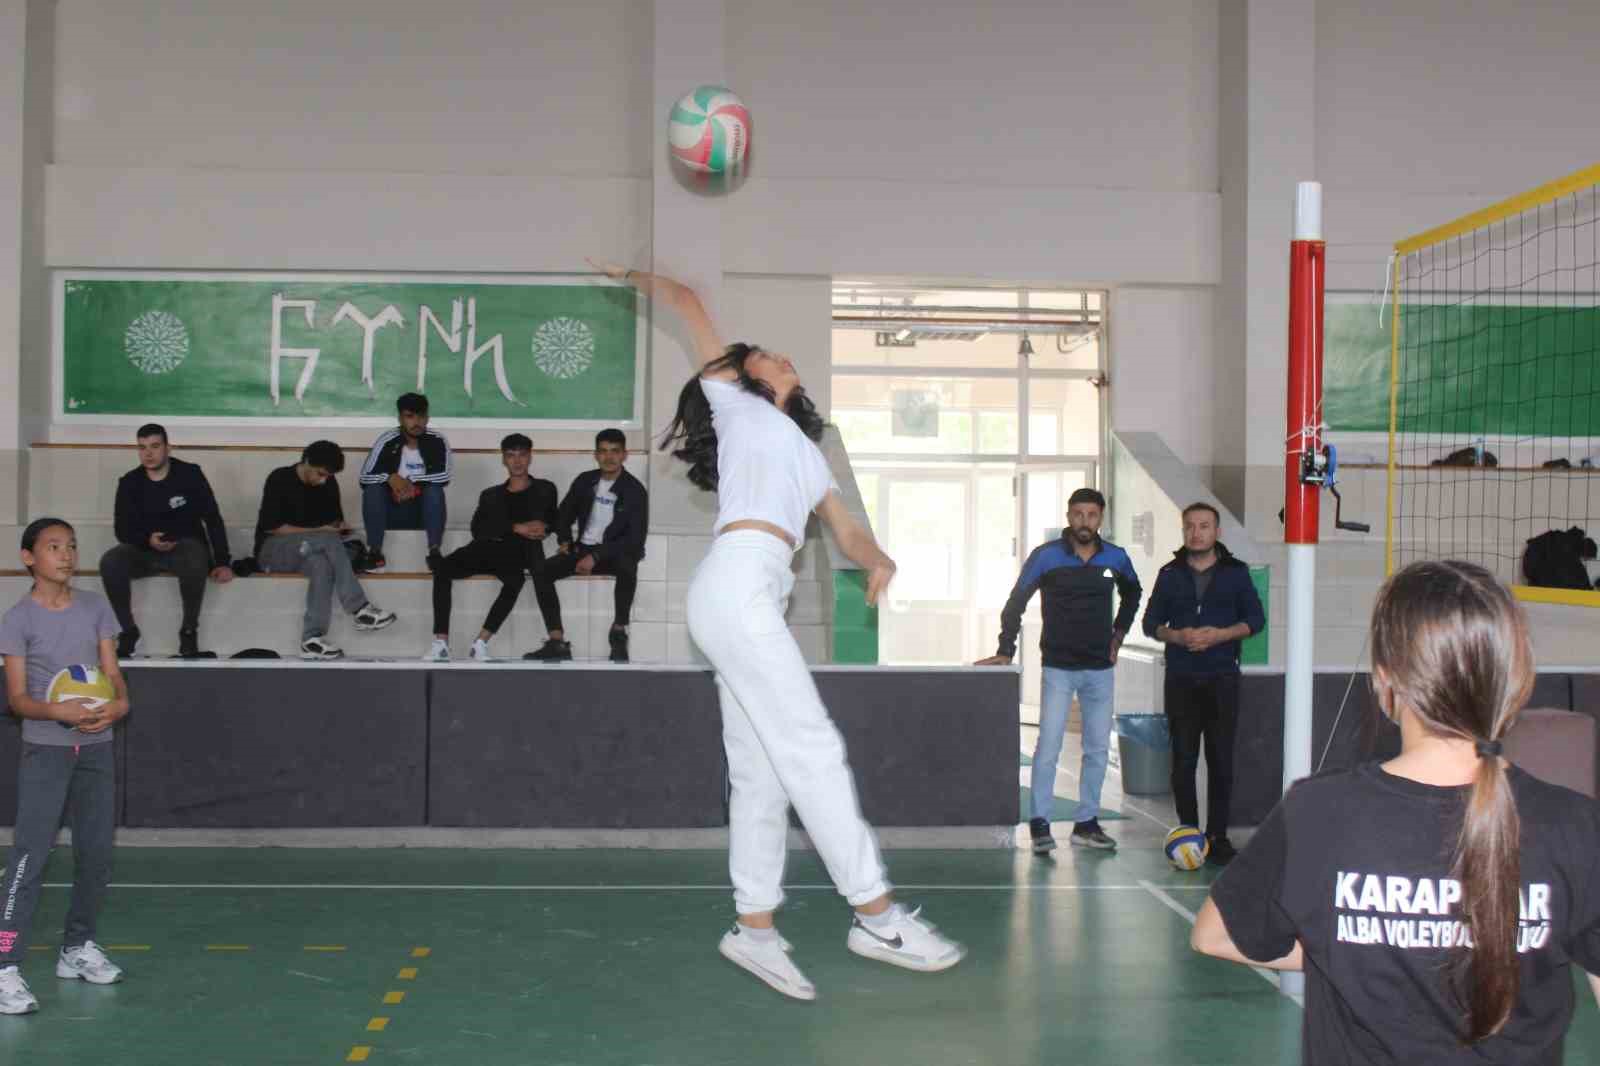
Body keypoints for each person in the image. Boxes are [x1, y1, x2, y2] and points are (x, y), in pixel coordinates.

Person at [594, 259, 963, 1001]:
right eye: (762, 353)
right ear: (744, 375)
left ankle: (754, 929)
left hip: (754, 590)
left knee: (762, 770)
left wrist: (878, 557)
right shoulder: (733, 404)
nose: (775, 355)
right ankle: (876, 917)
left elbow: (846, 532)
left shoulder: (805, 453)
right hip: (736, 583)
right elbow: (691, 303)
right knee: (813, 748)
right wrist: (642, 277)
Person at [1193, 560, 1600, 1064]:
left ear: (1386, 679)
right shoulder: (1577, 827)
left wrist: (1341, 952)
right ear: (1516, 681)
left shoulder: (1318, 813)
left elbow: (1214, 934)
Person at [0, 518, 131, 1015]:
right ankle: (4, 966)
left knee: (95, 855)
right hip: (46, 751)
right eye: (54, 547)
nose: (66, 554)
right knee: (29, 858)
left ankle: (76, 948)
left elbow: (115, 678)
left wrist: (117, 707)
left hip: (96, 750)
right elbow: (17, 700)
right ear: (29, 558)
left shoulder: (97, 608)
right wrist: (59, 711)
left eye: (72, 546)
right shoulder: (17, 620)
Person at [977, 488, 1142, 854]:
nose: (1085, 521)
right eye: (1079, 514)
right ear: (1069, 516)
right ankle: (1040, 823)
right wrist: (1006, 649)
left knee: (1097, 749)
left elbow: (1134, 593)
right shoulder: (1046, 556)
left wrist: (1118, 635)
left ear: (1101, 519)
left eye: (1092, 515)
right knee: (1048, 746)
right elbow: (1015, 602)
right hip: (1058, 668)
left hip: (1100, 669)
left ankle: (1086, 823)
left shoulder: (1115, 557)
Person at [1140, 502, 1265, 866]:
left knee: (1221, 759)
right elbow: (1151, 624)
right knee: (1183, 760)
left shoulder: (1237, 573)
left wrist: (1220, 636)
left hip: (1222, 679)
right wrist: (1177, 637)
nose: (1197, 533)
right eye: (1190, 527)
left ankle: (1218, 836)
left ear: (1217, 532)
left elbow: (1255, 620)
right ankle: (1189, 832)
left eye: (1204, 526)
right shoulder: (1169, 574)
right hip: (1180, 679)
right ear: (1184, 532)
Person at [100, 423, 234, 658]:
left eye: (154, 446)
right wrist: (147, 540)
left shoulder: (190, 474)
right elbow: (121, 529)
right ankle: (128, 630)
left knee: (195, 553)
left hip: (184, 550)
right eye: (142, 448)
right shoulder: (129, 482)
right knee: (111, 561)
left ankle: (189, 631)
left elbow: (212, 518)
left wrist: (222, 561)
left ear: (167, 448)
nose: (148, 453)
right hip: (144, 550)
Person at [424, 433, 561, 662]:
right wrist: (516, 527)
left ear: (530, 458)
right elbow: (479, 529)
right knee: (442, 569)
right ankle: (441, 643)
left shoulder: (545, 488)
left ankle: (481, 642)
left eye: (522, 455)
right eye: (510, 456)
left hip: (519, 552)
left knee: (515, 579)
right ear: (503, 460)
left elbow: (548, 519)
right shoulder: (491, 495)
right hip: (485, 548)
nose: (517, 461)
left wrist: (542, 528)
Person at [254, 440, 396, 659]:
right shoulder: (280, 478)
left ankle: (311, 639)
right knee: (327, 539)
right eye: (320, 474)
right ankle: (359, 609)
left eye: (328, 475)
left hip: (310, 550)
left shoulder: (329, 483)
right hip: (273, 550)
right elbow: (272, 527)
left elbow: (333, 523)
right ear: (307, 462)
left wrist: (342, 529)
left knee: (321, 565)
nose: (323, 480)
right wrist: (322, 532)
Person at [528, 428, 649, 664]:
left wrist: (596, 555)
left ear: (625, 454)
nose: (609, 457)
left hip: (615, 552)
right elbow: (563, 515)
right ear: (596, 454)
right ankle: (557, 642)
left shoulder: (634, 490)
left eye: (615, 451)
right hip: (582, 549)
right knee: (541, 570)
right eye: (603, 451)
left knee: (628, 566)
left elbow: (634, 539)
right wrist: (564, 540)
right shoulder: (585, 481)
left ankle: (618, 631)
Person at [356, 392, 452, 573]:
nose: (416, 422)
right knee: (372, 491)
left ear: (427, 418)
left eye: (421, 416)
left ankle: (434, 552)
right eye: (410, 416)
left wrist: (411, 483)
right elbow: (365, 477)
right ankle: (375, 552)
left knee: (435, 491)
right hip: (391, 511)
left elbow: (444, 476)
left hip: (424, 512)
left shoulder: (437, 441)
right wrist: (390, 478)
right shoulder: (387, 440)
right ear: (400, 418)